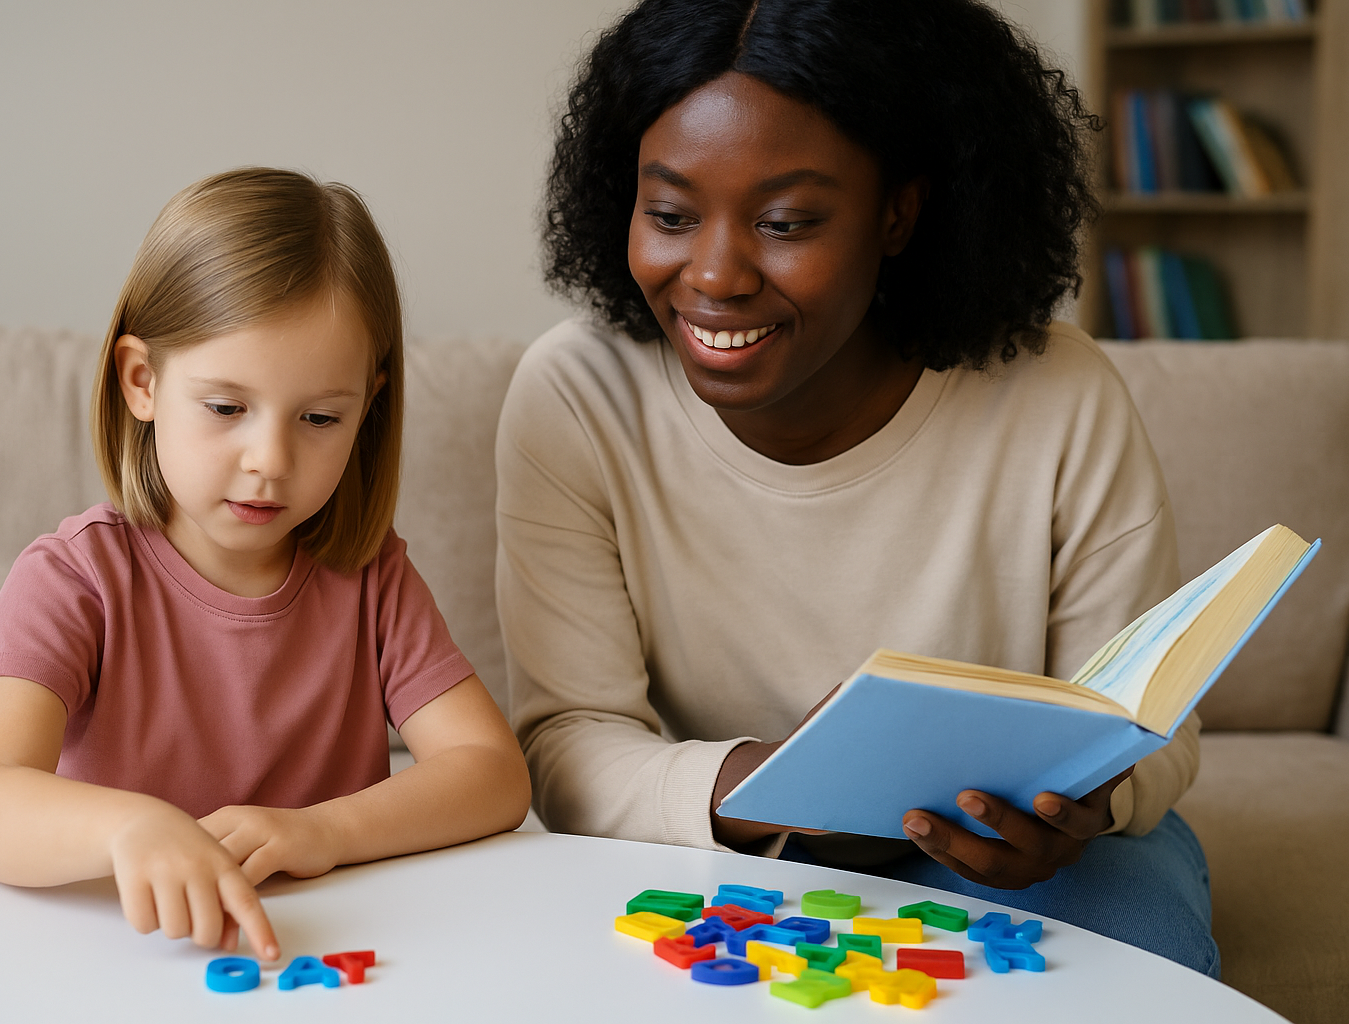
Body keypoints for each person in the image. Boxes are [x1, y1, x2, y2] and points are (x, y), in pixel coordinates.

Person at [496, 0, 1216, 975]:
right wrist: (775, 792)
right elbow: (570, 741)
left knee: (1140, 969)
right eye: (669, 215)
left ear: (898, 213)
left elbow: (1146, 720)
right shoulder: (577, 394)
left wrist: (1084, 802)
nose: (714, 274)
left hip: (1023, 860)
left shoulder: (1059, 392)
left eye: (785, 222)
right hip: (736, 845)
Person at [0, 168, 531, 961]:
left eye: (319, 418)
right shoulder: (74, 580)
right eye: (226, 408)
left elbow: (493, 773)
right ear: (142, 382)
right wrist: (130, 827)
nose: (271, 460)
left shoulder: (372, 578)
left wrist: (323, 831)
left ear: (367, 409)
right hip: (124, 956)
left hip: (331, 958)